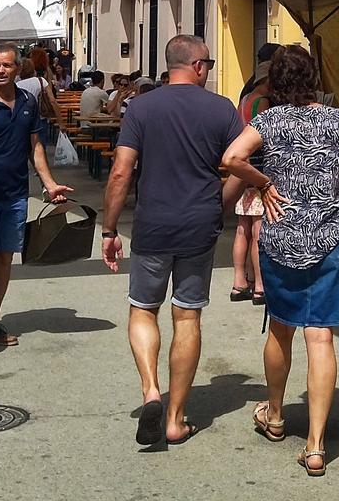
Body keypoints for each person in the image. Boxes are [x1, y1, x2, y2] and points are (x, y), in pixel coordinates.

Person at [222, 44, 339, 478]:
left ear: (276, 83)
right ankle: (315, 446)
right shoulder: (338, 120)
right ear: (313, 79)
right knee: (321, 337)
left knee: (282, 328)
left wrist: (264, 180)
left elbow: (231, 159)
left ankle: (274, 415)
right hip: (329, 239)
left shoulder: (268, 120)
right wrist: (332, 185)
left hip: (281, 238)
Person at [101, 34, 243, 448]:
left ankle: (150, 390)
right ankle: (176, 419)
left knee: (144, 309)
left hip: (153, 224)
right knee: (187, 316)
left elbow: (121, 173)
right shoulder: (221, 109)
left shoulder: (141, 107)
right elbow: (240, 162)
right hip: (199, 224)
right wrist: (221, 204)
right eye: (209, 65)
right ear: (198, 65)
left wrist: (110, 230)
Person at [0, 46, 74, 345]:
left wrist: (49, 183)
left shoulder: (28, 101)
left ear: (19, 68)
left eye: (7, 65)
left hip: (15, 192)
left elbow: (35, 147)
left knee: (5, 257)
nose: (1, 70)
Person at [228, 44, 280, 303]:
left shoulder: (245, 98)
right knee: (259, 231)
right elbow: (267, 138)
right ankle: (260, 285)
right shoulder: (264, 103)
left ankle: (239, 282)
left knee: (242, 229)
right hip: (259, 170)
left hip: (243, 170)